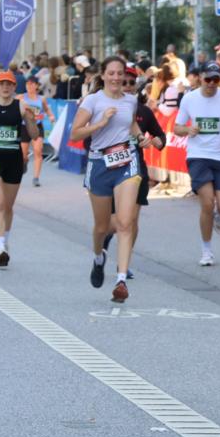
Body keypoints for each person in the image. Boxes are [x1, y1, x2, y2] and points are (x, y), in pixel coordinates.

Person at [69, 56, 152, 303]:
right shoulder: (93, 101)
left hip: (127, 163)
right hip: (99, 164)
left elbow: (131, 126)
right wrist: (101, 123)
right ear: (103, 75)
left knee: (126, 222)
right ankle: (98, 257)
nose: (116, 78)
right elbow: (75, 134)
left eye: (119, 73)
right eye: (112, 73)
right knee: (102, 227)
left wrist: (141, 138)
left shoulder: (131, 100)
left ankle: (121, 280)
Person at [173, 62, 220, 266]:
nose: (212, 83)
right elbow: (177, 127)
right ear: (200, 78)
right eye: (208, 79)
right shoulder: (190, 98)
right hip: (198, 156)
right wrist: (188, 130)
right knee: (206, 203)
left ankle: (219, 215)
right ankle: (206, 251)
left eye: (216, 79)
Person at [103, 65, 167, 276]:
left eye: (131, 83)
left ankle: (124, 263)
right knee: (115, 221)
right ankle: (104, 239)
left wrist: (158, 141)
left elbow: (160, 136)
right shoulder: (105, 107)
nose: (128, 86)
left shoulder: (143, 112)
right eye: (124, 82)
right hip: (111, 170)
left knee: (131, 220)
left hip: (137, 170)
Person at [0, 72, 38, 266]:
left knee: (8, 207)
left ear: (14, 87)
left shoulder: (21, 106)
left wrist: (31, 120)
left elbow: (34, 135)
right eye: (2, 84)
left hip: (14, 160)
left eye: (9, 84)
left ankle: (4, 239)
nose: (5, 87)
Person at [20, 75, 55, 187]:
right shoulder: (21, 97)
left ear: (36, 85)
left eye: (31, 84)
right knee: (23, 154)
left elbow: (47, 109)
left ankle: (36, 178)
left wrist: (51, 116)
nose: (29, 86)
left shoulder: (41, 99)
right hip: (24, 126)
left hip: (37, 126)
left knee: (38, 150)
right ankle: (25, 161)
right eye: (27, 84)